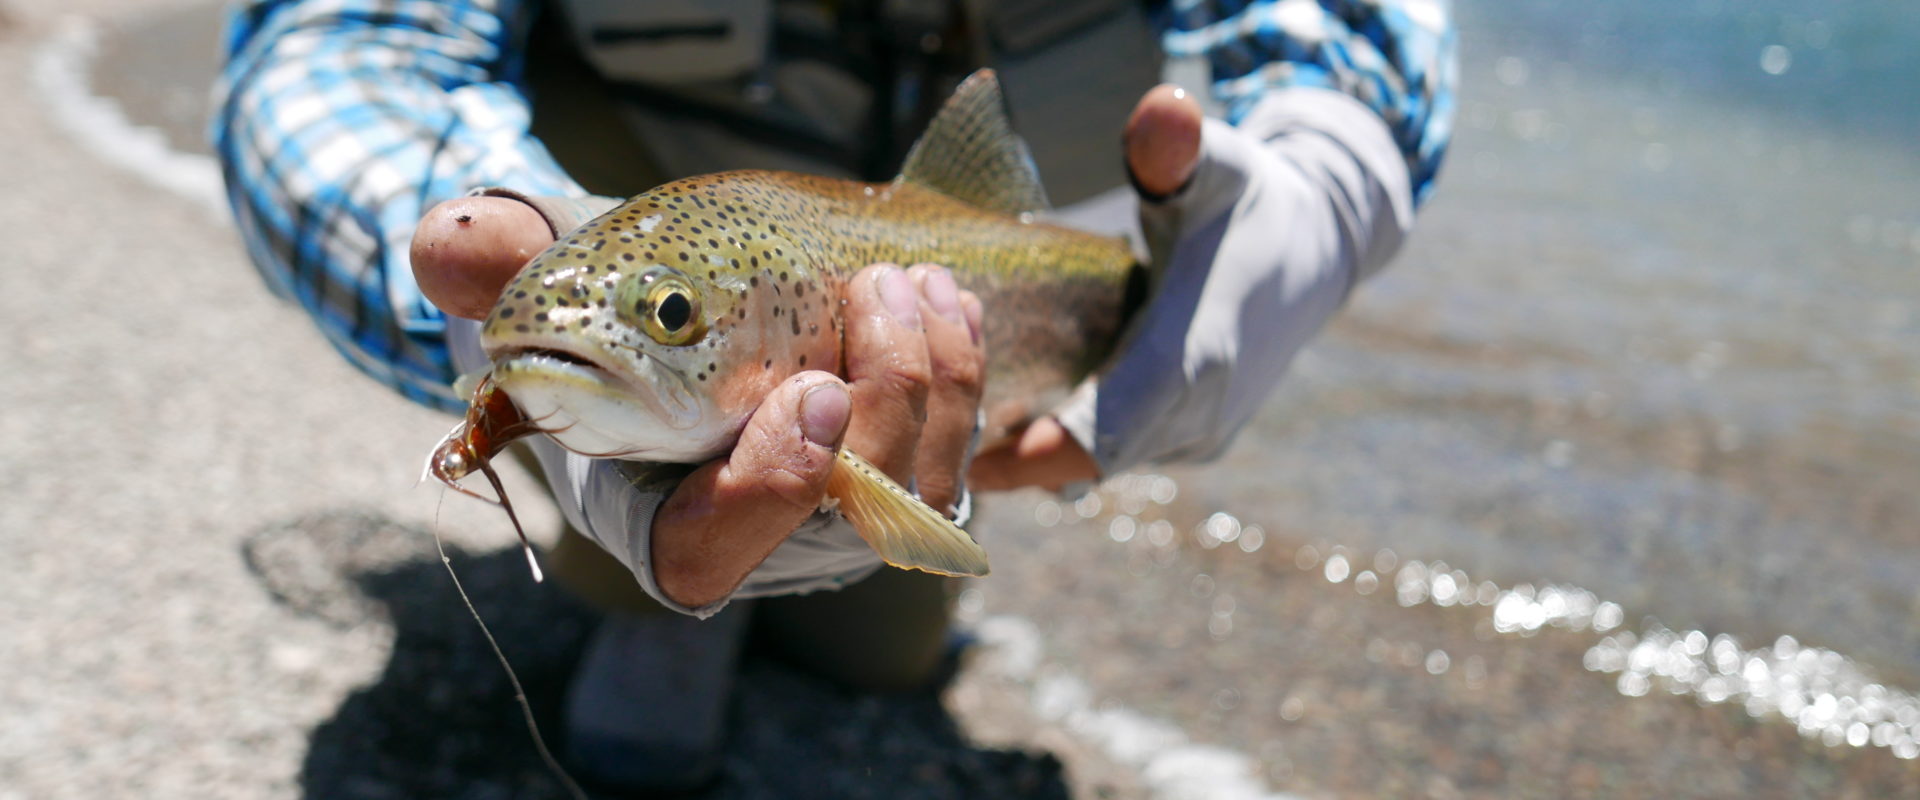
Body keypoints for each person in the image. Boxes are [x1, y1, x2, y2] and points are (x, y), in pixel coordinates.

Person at [215, 0, 1455, 791]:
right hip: (629, 156)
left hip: (979, 279)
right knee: (657, 558)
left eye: (671, 323)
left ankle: (760, 556)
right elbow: (338, 45)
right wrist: (452, 271)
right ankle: (652, 580)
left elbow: (1342, 24)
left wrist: (1336, 171)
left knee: (875, 647)